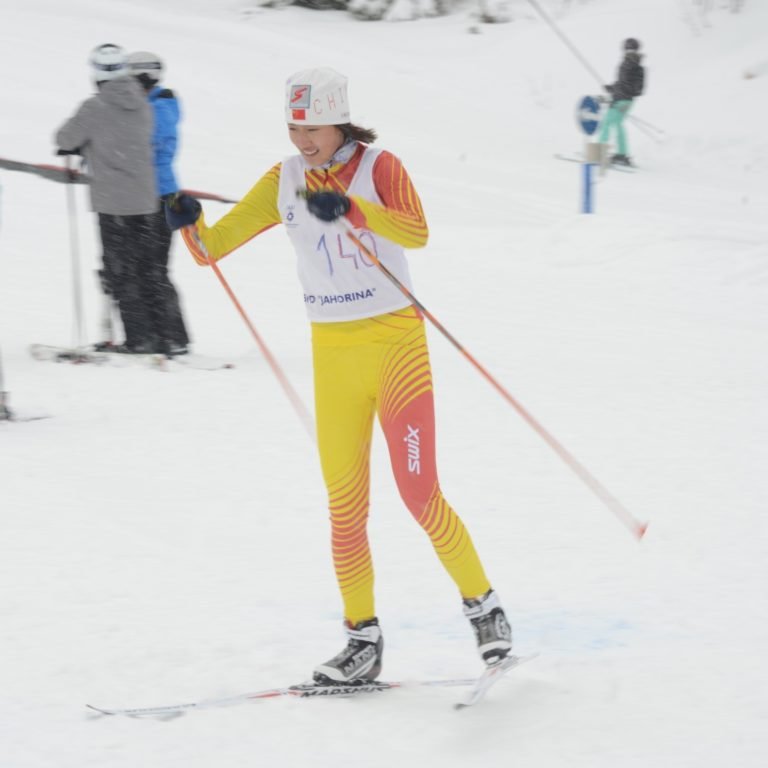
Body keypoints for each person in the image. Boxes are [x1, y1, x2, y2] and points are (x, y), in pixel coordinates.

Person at [166, 67, 512, 683]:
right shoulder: (284, 179)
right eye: (293, 127)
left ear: (340, 120)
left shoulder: (381, 168)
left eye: (314, 128)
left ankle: (485, 610)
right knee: (345, 508)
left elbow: (417, 232)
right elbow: (210, 250)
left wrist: (353, 209)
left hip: (395, 344)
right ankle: (362, 642)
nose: (303, 140)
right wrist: (189, 220)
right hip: (332, 353)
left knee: (419, 495)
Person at [55, 44, 161, 354]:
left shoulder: (95, 107)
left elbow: (64, 138)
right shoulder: (143, 104)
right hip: (145, 201)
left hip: (113, 203)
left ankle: (138, 339)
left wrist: (80, 145)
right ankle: (157, 335)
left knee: (120, 270)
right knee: (144, 268)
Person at [126, 51, 190, 356]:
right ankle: (156, 334)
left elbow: (153, 144)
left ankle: (173, 337)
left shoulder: (161, 105)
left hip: (160, 196)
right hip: (144, 194)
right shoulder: (150, 105)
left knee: (154, 268)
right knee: (142, 267)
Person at [599, 37, 646, 167]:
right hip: (624, 100)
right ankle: (622, 154)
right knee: (618, 124)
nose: (628, 51)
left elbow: (638, 89)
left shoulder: (634, 66)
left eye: (630, 49)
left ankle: (599, 152)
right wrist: (612, 88)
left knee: (607, 123)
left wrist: (620, 93)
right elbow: (623, 84)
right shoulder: (629, 64)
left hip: (622, 100)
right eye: (627, 49)